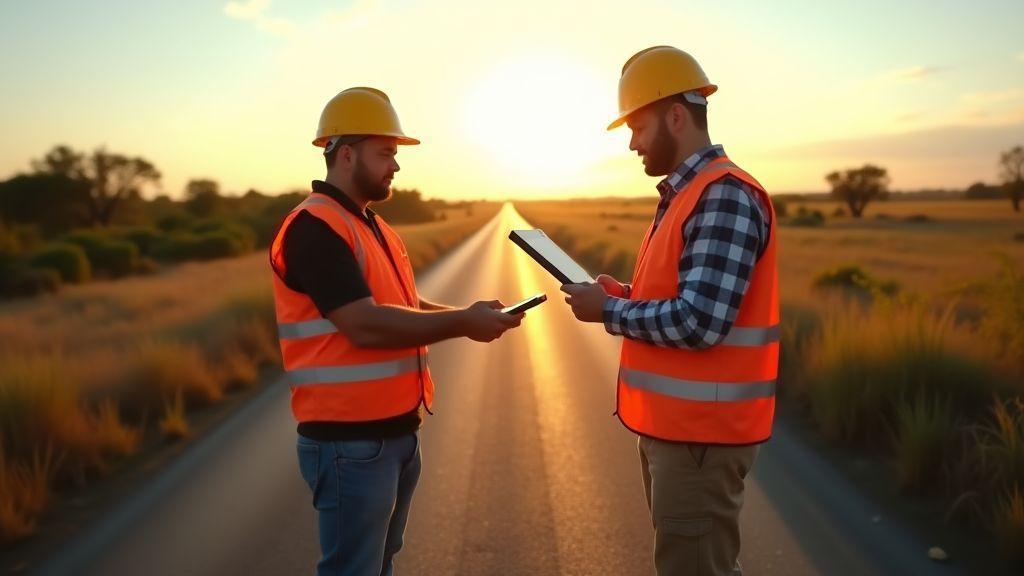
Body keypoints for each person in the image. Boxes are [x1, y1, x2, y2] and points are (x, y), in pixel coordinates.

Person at [269, 86, 524, 576]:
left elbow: (403, 305)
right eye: (386, 152)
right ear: (346, 154)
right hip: (349, 444)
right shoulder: (314, 227)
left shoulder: (370, 225)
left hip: (395, 435)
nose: (396, 165)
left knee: (379, 566)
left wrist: (468, 313)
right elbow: (362, 323)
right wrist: (462, 322)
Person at [562, 47, 779, 576]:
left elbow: (700, 321)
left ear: (676, 116)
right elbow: (692, 293)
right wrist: (629, 294)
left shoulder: (721, 196)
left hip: (701, 439)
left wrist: (610, 310)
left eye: (637, 127)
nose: (632, 142)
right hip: (682, 435)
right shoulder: (689, 194)